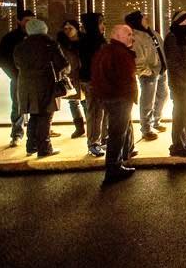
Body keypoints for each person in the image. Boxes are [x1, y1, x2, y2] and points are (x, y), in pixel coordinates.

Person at [14, 19, 69, 158]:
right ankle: (44, 148)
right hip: (46, 84)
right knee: (46, 116)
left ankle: (31, 146)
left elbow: (17, 63)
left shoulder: (20, 46)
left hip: (26, 84)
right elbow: (62, 64)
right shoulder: (49, 44)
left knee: (34, 115)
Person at [91, 24, 139, 183]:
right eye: (128, 34)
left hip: (110, 98)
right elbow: (126, 78)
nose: (131, 37)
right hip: (119, 98)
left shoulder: (105, 51)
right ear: (117, 36)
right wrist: (127, 95)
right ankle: (114, 167)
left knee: (117, 132)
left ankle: (116, 164)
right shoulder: (120, 53)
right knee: (117, 133)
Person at [125, 10, 168, 141]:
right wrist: (149, 72)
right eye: (143, 17)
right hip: (150, 74)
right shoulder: (136, 37)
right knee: (147, 101)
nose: (146, 18)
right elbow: (138, 61)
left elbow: (161, 49)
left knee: (163, 96)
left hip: (160, 70)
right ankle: (146, 129)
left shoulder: (152, 33)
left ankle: (156, 121)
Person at [163, 11, 186, 158]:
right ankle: (177, 145)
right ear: (178, 23)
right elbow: (174, 64)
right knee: (180, 114)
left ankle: (184, 140)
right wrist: (183, 82)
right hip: (180, 85)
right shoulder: (172, 38)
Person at [0, 9, 35, 147]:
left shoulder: (36, 36)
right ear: (18, 21)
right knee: (18, 106)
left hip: (33, 78)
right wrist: (13, 75)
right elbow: (3, 58)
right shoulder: (10, 38)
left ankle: (34, 133)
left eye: (32, 20)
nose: (30, 23)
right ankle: (17, 134)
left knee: (35, 107)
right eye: (27, 20)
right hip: (19, 77)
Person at [78, 13, 107, 157]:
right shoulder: (91, 42)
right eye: (100, 23)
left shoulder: (94, 40)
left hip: (97, 80)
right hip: (93, 81)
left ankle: (99, 140)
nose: (103, 26)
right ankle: (94, 143)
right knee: (95, 112)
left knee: (99, 111)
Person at [56, 19, 86, 139]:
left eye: (70, 28)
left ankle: (91, 125)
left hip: (83, 74)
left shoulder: (84, 41)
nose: (68, 31)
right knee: (73, 102)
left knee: (86, 101)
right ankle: (79, 127)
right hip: (70, 75)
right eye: (65, 29)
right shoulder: (62, 43)